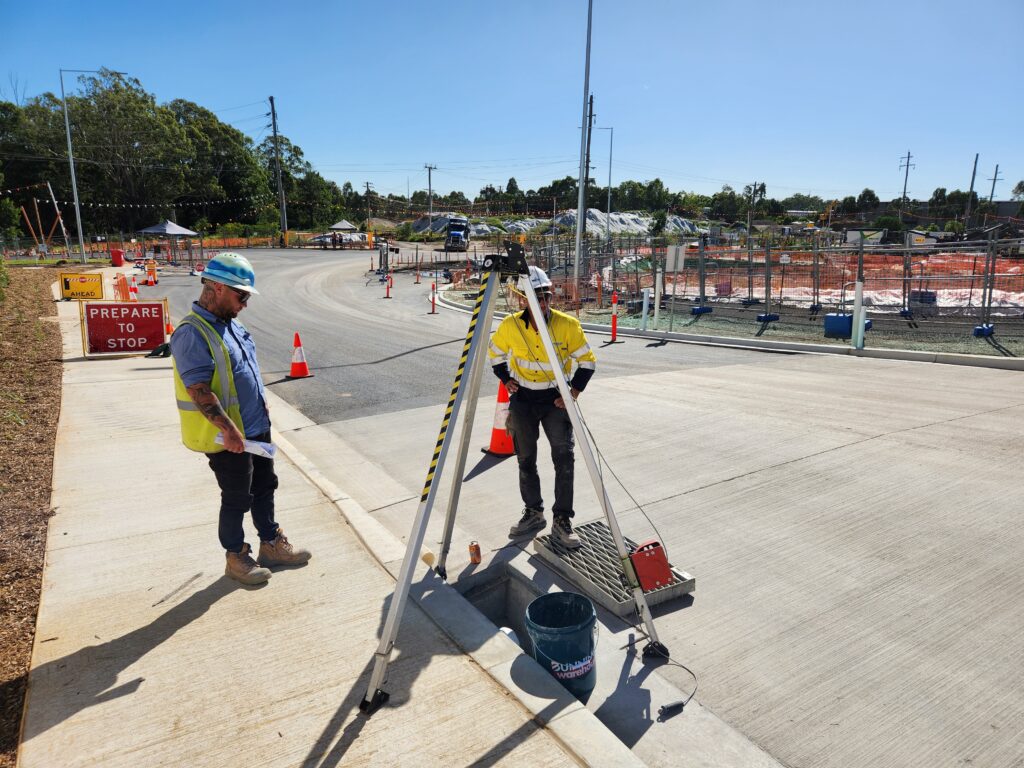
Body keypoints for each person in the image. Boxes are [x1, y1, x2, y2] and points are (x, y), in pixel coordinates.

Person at [170, 253, 311, 585]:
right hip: (229, 438)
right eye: (241, 295)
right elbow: (199, 389)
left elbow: (243, 374)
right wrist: (229, 430)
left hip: (256, 428)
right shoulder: (192, 333)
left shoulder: (232, 324)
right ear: (217, 287)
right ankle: (236, 557)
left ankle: (272, 545)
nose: (245, 303)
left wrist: (260, 407)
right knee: (236, 497)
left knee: (265, 487)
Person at [488, 266, 596, 549]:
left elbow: (587, 361)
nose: (543, 303)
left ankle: (562, 520)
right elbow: (495, 353)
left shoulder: (567, 325)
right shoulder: (510, 326)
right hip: (523, 400)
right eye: (536, 297)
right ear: (522, 299)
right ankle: (533, 513)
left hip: (554, 401)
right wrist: (506, 379)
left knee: (564, 459)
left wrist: (572, 393)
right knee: (525, 459)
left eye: (546, 296)